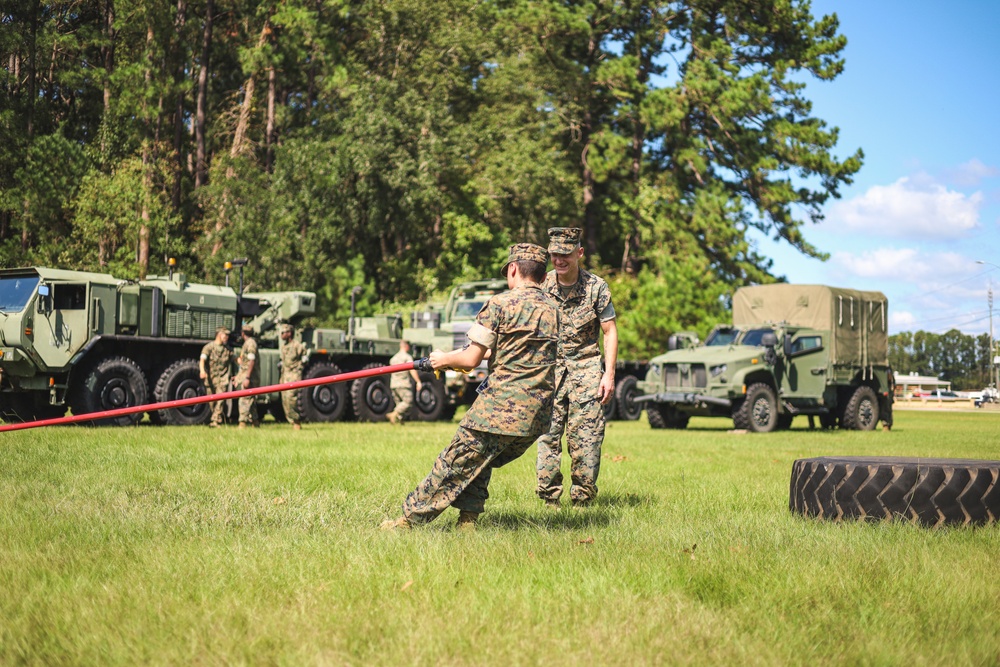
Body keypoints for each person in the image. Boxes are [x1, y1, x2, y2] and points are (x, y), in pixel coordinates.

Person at [381, 243, 559, 531]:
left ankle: (406, 521)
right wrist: (451, 361)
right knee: (481, 458)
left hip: (501, 409)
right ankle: (468, 521)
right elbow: (513, 350)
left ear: (513, 269)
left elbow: (471, 358)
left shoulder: (500, 304)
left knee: (453, 461)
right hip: (537, 417)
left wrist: (442, 359)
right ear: (542, 274)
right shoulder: (554, 310)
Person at [535, 227, 618, 508]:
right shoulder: (541, 286)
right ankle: (550, 500)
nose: (559, 260)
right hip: (549, 372)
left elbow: (610, 331)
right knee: (548, 435)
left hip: (587, 370)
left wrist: (609, 374)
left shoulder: (596, 287)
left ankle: (583, 500)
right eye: (555, 254)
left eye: (566, 254)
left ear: (579, 253)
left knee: (587, 437)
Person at [199, 326, 233, 427]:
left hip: (222, 379)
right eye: (225, 335)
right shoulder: (209, 347)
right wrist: (202, 371)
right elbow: (202, 360)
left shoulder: (228, 350)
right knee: (212, 402)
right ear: (219, 334)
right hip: (211, 379)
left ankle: (216, 421)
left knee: (220, 400)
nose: (227, 337)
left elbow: (236, 360)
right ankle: (215, 418)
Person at [278, 323, 308, 430]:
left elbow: (305, 357)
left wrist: (300, 367)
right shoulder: (284, 347)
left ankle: (296, 421)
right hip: (285, 376)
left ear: (289, 333)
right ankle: (292, 421)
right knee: (285, 400)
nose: (281, 335)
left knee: (291, 399)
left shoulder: (297, 345)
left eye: (283, 332)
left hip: (294, 376)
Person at [386, 340, 423, 425]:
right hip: (403, 384)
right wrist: (418, 381)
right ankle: (394, 414)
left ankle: (401, 421)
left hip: (394, 384)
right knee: (407, 401)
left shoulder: (393, 358)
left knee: (399, 403)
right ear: (407, 347)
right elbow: (412, 370)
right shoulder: (407, 357)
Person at [234, 325, 260, 428]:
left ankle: (242, 423)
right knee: (250, 400)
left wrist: (247, 378)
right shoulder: (249, 343)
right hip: (247, 376)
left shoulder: (250, 343)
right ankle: (255, 422)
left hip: (250, 377)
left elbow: (251, 360)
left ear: (243, 333)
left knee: (244, 399)